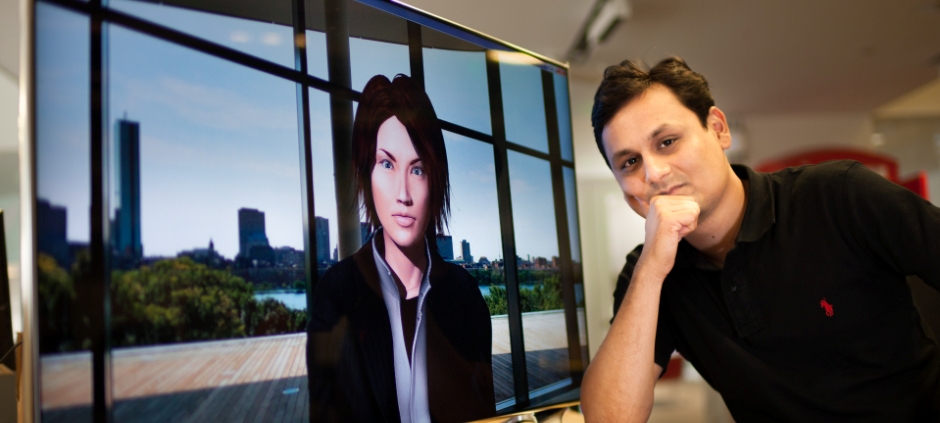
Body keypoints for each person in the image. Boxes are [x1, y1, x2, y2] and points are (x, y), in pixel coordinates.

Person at [580, 57, 940, 422]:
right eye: (629, 163)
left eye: (668, 141)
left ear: (718, 129)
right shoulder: (648, 275)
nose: (654, 172)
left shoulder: (839, 194)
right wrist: (652, 269)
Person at [306, 74, 495, 423]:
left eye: (418, 169)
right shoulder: (336, 295)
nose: (403, 194)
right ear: (366, 173)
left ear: (436, 180)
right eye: (387, 164)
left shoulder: (466, 297)